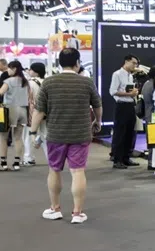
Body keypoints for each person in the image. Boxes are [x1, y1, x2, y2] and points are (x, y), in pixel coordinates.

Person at [29, 48, 101, 225]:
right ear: (77, 63)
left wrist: (33, 131)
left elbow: (39, 111)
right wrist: (97, 121)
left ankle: (55, 209)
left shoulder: (49, 82)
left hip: (56, 134)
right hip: (81, 134)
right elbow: (98, 106)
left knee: (54, 170)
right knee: (78, 171)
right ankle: (77, 213)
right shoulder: (87, 83)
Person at [0, 60, 32, 171]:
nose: (8, 70)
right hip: (23, 110)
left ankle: (3, 163)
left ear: (14, 69)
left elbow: (0, 92)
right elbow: (29, 97)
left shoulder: (8, 81)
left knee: (3, 137)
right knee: (18, 138)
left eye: (9, 68)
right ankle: (17, 163)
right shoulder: (25, 82)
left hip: (9, 110)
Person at [110, 54, 140, 169]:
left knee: (130, 133)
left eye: (136, 64)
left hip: (130, 105)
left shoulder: (130, 76)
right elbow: (112, 91)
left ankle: (126, 158)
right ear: (126, 61)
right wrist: (129, 94)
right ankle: (117, 160)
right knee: (120, 133)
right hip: (121, 106)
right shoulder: (117, 74)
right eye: (133, 63)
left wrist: (133, 93)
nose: (135, 66)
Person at [23, 62, 46, 166]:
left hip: (32, 112)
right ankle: (51, 159)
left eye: (31, 70)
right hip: (46, 112)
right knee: (45, 135)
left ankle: (29, 158)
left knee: (29, 135)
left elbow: (26, 98)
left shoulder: (30, 83)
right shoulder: (46, 82)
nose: (29, 71)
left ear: (36, 72)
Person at [140, 65, 155, 170]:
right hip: (154, 114)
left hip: (148, 114)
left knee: (150, 139)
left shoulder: (146, 84)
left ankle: (151, 161)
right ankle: (154, 162)